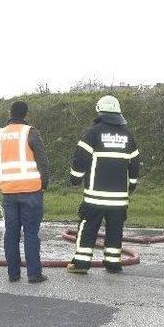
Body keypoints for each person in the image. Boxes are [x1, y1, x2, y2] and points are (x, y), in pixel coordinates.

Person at [66, 95, 141, 274]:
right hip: (119, 199)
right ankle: (113, 263)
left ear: (99, 111)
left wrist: (75, 179)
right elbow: (135, 164)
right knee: (115, 230)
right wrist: (131, 185)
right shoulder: (127, 136)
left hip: (95, 197)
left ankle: (81, 264)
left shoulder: (93, 132)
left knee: (88, 228)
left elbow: (80, 159)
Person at [0, 101, 49, 283]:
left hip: (8, 191)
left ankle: (13, 274)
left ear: (10, 113)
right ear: (25, 114)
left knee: (11, 233)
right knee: (31, 233)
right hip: (31, 190)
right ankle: (34, 274)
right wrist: (44, 184)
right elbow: (42, 160)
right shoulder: (30, 132)